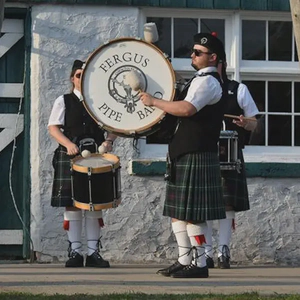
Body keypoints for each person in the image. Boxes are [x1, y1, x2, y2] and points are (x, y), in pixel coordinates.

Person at [139, 33, 227, 278]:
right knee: (179, 212)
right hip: (184, 151)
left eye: (198, 52)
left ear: (213, 57)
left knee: (194, 214)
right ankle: (184, 259)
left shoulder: (208, 82)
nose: (192, 55)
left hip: (197, 152)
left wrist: (154, 102)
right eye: (193, 50)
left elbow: (187, 109)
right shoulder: (198, 80)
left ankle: (199, 264)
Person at [48, 59, 117, 268]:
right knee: (73, 203)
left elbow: (117, 124)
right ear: (72, 78)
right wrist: (68, 144)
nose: (82, 78)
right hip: (70, 155)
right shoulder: (64, 100)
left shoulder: (101, 100)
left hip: (96, 156)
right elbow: (53, 127)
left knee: (96, 202)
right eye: (79, 74)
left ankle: (93, 252)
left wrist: (109, 140)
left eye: (86, 74)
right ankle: (75, 252)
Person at [204, 58, 259, 269]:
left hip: (230, 154)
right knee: (205, 203)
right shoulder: (198, 86)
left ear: (221, 64)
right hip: (204, 152)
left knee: (227, 203)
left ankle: (223, 251)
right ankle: (205, 252)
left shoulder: (238, 89)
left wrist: (247, 123)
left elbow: (255, 122)